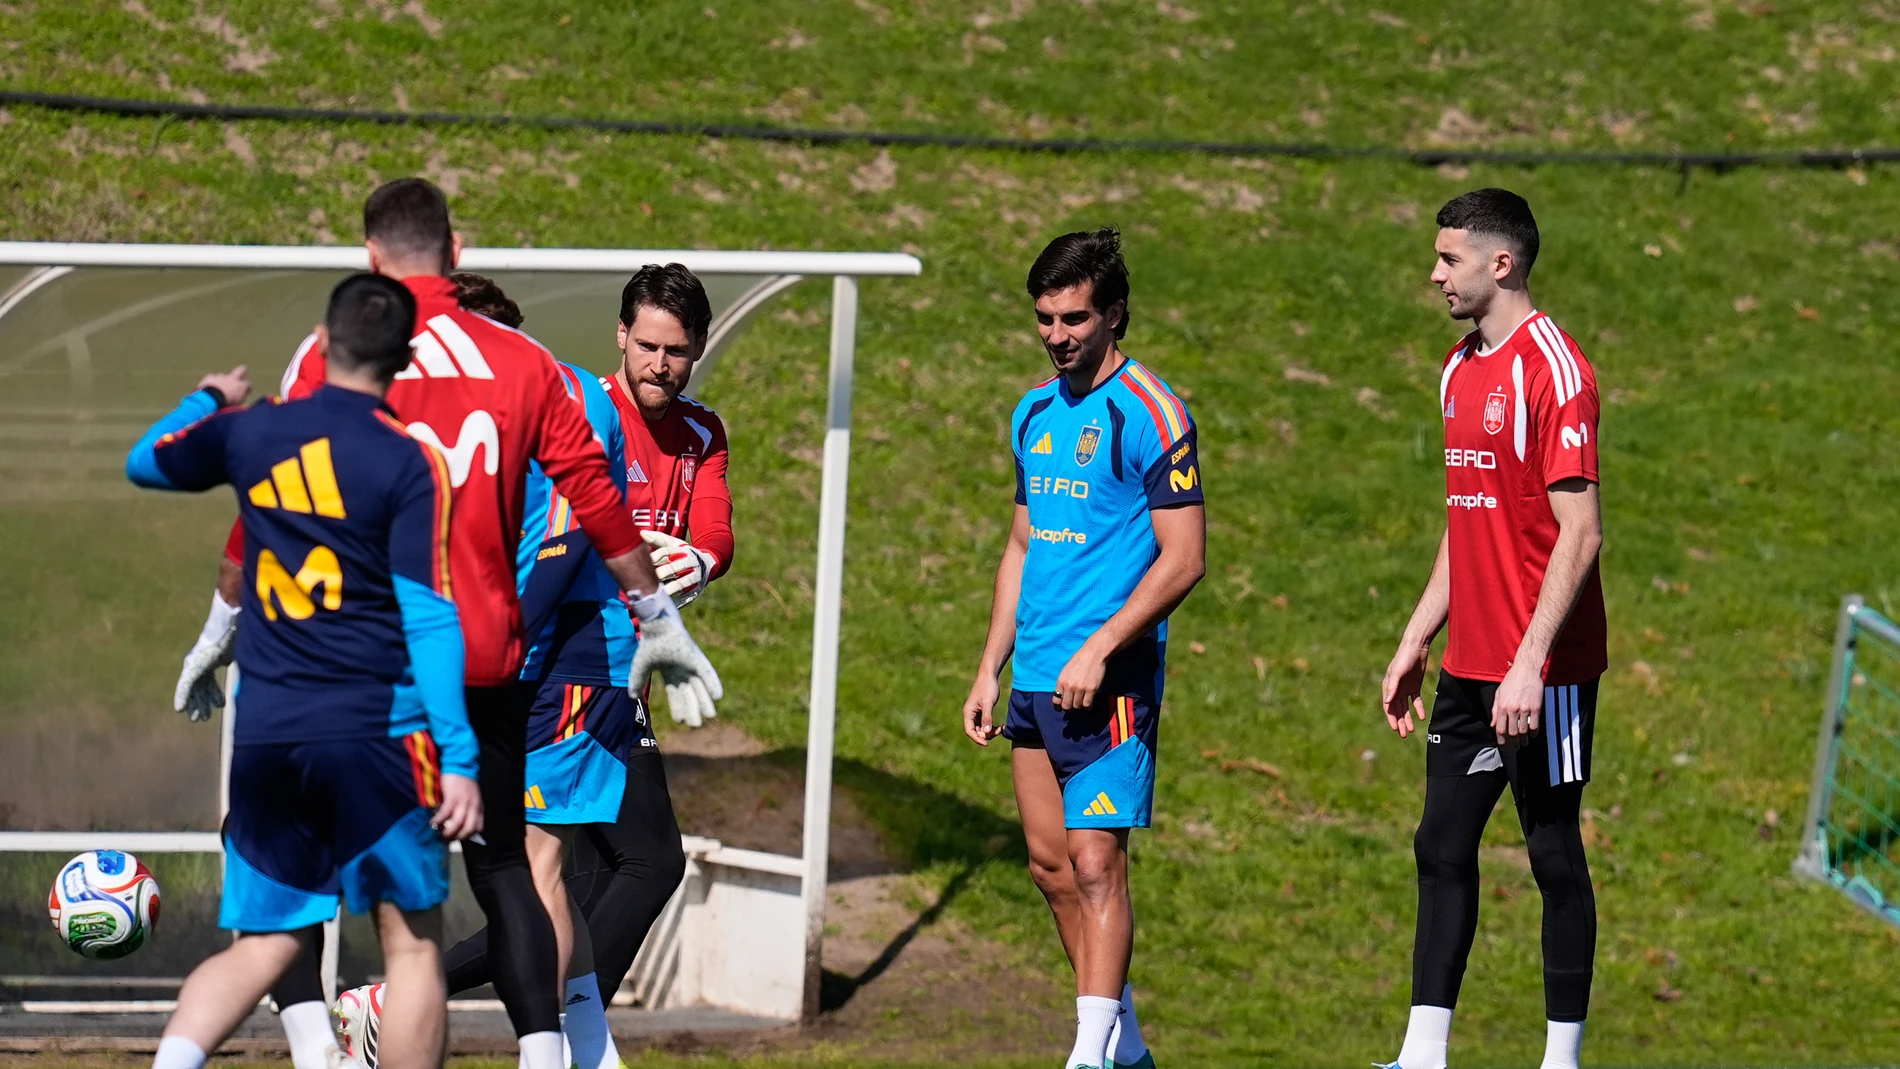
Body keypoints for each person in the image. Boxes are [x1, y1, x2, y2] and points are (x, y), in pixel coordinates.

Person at [179, 178, 723, 1069]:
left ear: (370, 259)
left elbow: (261, 492)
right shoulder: (527, 367)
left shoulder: (333, 357)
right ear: (458, 251)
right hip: (490, 657)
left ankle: (315, 1046)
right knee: (487, 881)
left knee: (291, 879)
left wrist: (224, 619)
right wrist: (653, 609)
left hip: (348, 663)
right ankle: (555, 1053)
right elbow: (589, 491)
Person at [124, 273, 482, 1069]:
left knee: (267, 947)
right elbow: (428, 616)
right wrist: (458, 757)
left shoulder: (251, 433)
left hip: (268, 736)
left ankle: (172, 1063)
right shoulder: (409, 461)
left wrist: (206, 399)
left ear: (321, 343)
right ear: (405, 359)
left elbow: (146, 462)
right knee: (414, 949)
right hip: (375, 738)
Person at [962, 229, 1205, 1069]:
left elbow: (1186, 558)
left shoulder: (1153, 412)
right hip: (1034, 675)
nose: (1058, 334)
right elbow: (1022, 545)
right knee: (1051, 867)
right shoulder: (1031, 412)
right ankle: (1123, 1044)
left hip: (1114, 680)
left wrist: (1101, 647)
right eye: (1045, 319)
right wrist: (989, 665)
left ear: (1115, 315)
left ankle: (1086, 1054)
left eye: (1074, 318)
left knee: (1099, 861)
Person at [1378, 188, 1605, 1069]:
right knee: (1439, 843)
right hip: (1470, 661)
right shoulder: (1458, 368)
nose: (1434, 273)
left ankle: (1561, 1060)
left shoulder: (1556, 370)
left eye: (1447, 258)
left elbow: (1579, 531)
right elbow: (1466, 519)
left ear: (1499, 263)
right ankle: (1423, 1053)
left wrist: (1529, 664)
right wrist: (1414, 636)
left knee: (1551, 852)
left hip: (1541, 671)